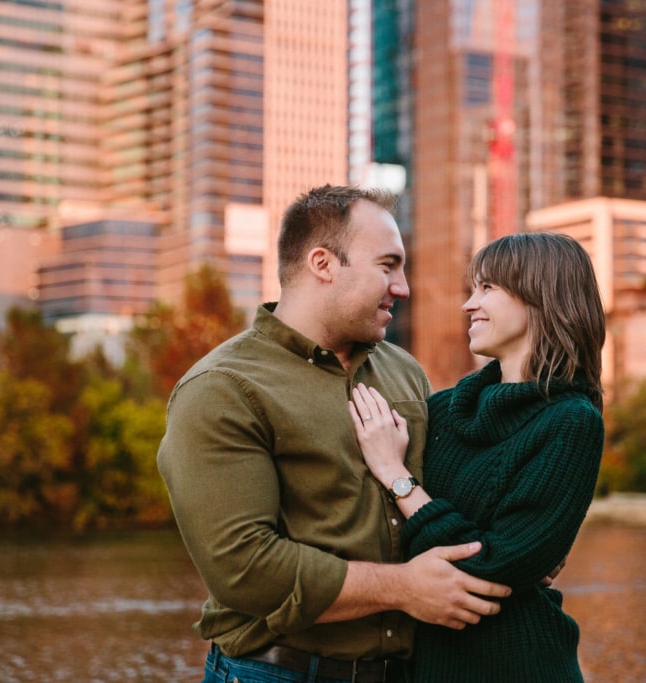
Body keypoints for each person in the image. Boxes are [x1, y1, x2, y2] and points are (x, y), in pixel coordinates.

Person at [157, 184, 511, 683]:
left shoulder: (405, 372)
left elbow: (443, 495)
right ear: (322, 264)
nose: (403, 287)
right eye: (388, 266)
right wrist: (405, 588)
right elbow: (245, 569)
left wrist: (521, 545)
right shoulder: (222, 389)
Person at [349, 232, 606, 682]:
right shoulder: (443, 410)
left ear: (540, 297)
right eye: (472, 289)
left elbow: (492, 565)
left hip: (518, 665)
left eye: (487, 289)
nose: (469, 304)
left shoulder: (571, 422)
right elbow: (390, 537)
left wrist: (397, 477)